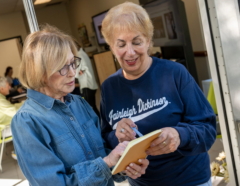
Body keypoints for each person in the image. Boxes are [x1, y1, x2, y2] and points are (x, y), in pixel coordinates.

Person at [11, 24, 149, 186]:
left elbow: (102, 152)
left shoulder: (78, 103)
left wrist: (125, 163)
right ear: (40, 73)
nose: (72, 73)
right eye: (63, 67)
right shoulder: (27, 122)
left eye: (72, 63)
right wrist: (106, 163)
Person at [100, 2, 216, 186]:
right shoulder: (109, 88)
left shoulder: (174, 73)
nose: (129, 52)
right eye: (121, 44)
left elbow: (208, 130)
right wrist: (118, 136)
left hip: (190, 180)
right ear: (112, 47)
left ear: (148, 41)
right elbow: (105, 138)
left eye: (136, 42)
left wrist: (179, 135)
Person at [74, 40, 100, 117]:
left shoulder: (80, 55)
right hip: (88, 84)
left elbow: (82, 69)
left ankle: (98, 125)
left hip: (87, 85)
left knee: (89, 107)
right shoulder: (82, 54)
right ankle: (101, 124)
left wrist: (77, 74)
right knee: (92, 106)